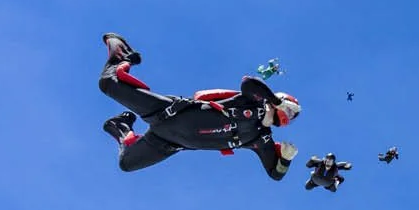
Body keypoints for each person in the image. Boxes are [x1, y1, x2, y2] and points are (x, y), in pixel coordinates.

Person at [97, 34, 299, 178]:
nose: (288, 117)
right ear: (278, 99)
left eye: (292, 117)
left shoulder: (262, 139)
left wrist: (286, 160)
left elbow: (275, 174)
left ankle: (121, 126)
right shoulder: (254, 101)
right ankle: (121, 55)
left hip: (167, 142)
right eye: (290, 110)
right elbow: (249, 83)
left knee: (126, 163)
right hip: (169, 113)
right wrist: (274, 100)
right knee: (108, 84)